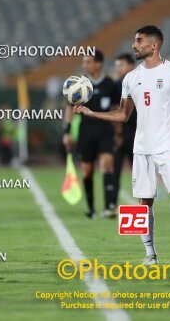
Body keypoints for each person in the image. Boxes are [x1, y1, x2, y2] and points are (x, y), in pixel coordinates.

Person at [73, 25, 170, 265]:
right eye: (134, 40)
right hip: (141, 148)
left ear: (154, 45)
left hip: (169, 146)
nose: (134, 45)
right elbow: (123, 114)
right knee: (144, 202)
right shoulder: (130, 79)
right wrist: (92, 114)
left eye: (139, 40)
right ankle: (150, 255)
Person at [63, 50, 120, 219]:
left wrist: (118, 132)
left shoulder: (110, 84)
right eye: (83, 62)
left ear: (98, 63)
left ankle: (109, 206)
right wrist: (66, 131)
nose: (84, 65)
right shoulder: (78, 83)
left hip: (105, 130)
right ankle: (90, 208)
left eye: (88, 61)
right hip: (86, 131)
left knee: (107, 164)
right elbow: (68, 109)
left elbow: (116, 110)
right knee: (87, 171)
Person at [113, 53, 137, 204]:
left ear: (131, 65)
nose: (118, 69)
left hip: (138, 133)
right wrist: (118, 133)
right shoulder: (116, 85)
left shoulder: (141, 83)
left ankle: (145, 205)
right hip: (122, 133)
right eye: (117, 66)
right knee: (114, 170)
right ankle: (111, 203)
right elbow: (115, 109)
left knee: (140, 171)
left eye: (121, 65)